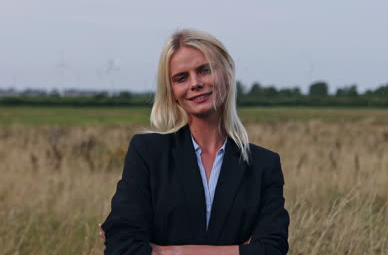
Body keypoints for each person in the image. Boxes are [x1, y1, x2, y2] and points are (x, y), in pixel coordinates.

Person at [101, 28, 289, 255]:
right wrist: (240, 250)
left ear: (228, 73)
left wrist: (168, 251)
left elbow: (272, 250)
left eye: (205, 70)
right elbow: (122, 247)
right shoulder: (148, 153)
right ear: (172, 92)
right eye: (181, 78)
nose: (195, 83)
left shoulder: (263, 165)